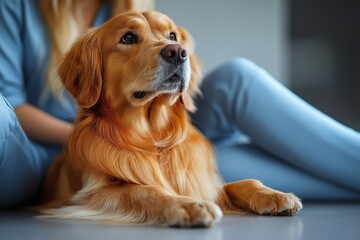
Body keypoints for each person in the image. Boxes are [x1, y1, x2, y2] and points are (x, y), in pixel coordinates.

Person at [0, 0, 359, 210]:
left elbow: (160, 72)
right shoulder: (16, 7)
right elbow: (12, 102)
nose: (172, 48)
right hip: (50, 147)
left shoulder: (131, 5)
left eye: (171, 38)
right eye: (130, 39)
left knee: (238, 77)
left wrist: (142, 145)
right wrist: (98, 141)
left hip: (153, 137)